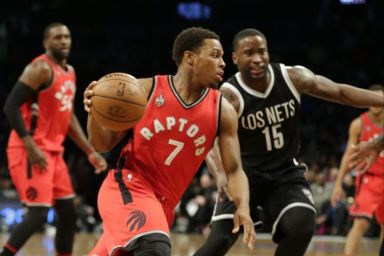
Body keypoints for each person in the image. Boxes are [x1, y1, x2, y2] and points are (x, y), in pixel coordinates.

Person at [193, 28, 384, 256]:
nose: (257, 58)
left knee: (302, 225)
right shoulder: (229, 96)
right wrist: (221, 173)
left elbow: (340, 92)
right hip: (244, 176)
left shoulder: (292, 77)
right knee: (218, 243)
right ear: (235, 58)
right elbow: (210, 142)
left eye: (262, 51)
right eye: (248, 53)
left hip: (285, 175)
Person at [83, 27, 256, 256]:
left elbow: (234, 170)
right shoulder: (144, 90)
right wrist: (94, 111)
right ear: (189, 58)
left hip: (164, 206)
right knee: (155, 248)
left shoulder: (222, 111)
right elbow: (101, 144)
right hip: (128, 186)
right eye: (215, 55)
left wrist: (243, 206)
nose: (223, 63)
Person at [1, 22, 107, 256]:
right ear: (46, 43)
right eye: (57, 37)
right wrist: (29, 144)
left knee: (68, 212)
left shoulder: (70, 73)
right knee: (38, 213)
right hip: (29, 148)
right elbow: (10, 106)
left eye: (67, 36)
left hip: (54, 152)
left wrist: (89, 150)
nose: (64, 41)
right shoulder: (40, 68)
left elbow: (67, 117)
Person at [331, 84, 384, 256]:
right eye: (372, 98)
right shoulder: (358, 124)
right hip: (369, 179)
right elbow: (348, 155)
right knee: (361, 222)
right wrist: (338, 184)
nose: (375, 102)